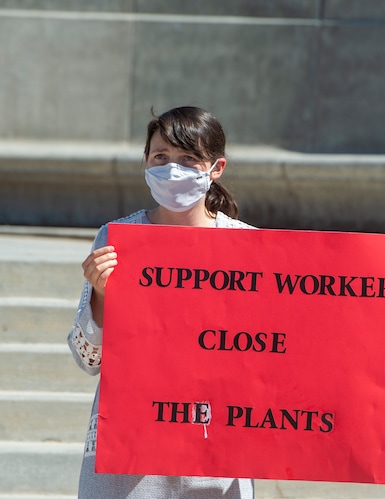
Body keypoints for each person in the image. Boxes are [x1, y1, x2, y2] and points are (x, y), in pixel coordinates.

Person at [68, 106, 255, 499]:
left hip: (214, 452)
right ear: (146, 162)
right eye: (161, 157)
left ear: (215, 167)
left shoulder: (250, 248)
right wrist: (101, 294)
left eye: (188, 158)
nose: (173, 169)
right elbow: (88, 360)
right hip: (130, 463)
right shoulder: (116, 238)